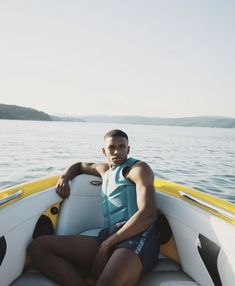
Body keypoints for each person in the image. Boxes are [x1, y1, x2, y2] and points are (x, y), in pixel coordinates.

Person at [29, 129, 159, 286]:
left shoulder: (137, 169)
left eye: (122, 147)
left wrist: (106, 246)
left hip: (138, 236)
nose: (117, 151)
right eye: (112, 147)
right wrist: (65, 177)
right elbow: (79, 166)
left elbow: (148, 214)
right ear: (104, 151)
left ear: (128, 149)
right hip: (110, 234)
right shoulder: (104, 171)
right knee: (39, 248)